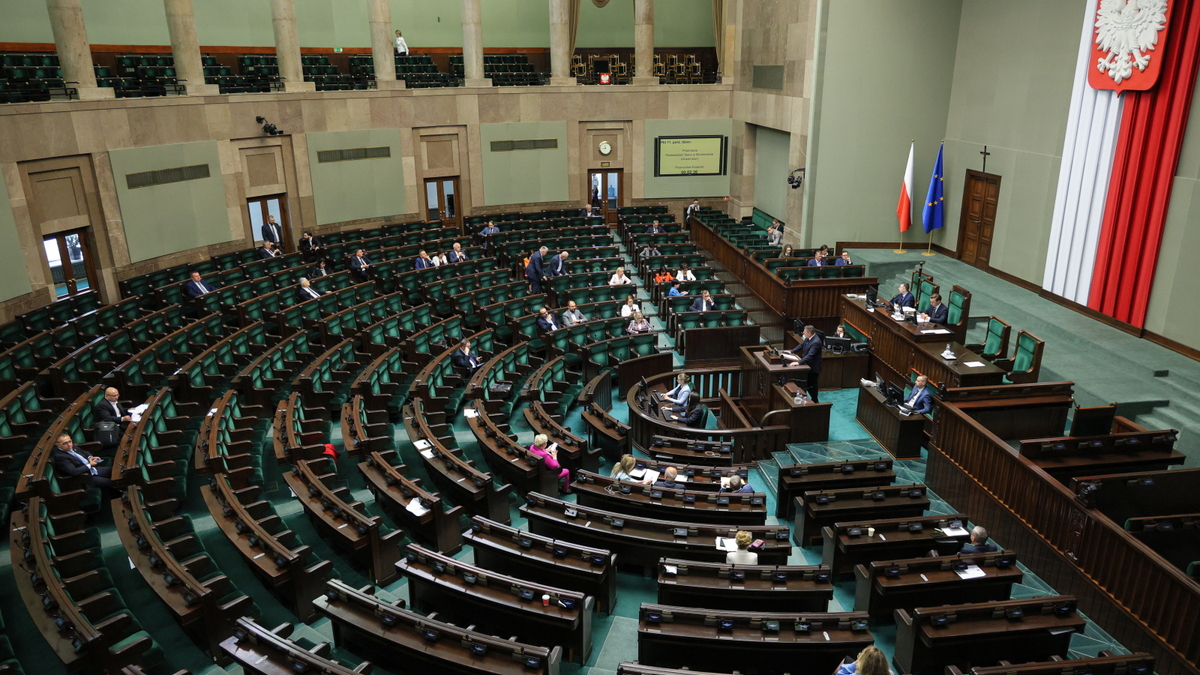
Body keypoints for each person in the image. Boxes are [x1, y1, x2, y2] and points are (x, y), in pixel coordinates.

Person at [785, 324, 823, 402]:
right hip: (807, 366)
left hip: (813, 368)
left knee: (812, 385)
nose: (803, 333)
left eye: (804, 332)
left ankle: (815, 401)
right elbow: (801, 345)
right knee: (807, 383)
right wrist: (791, 351)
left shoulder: (816, 342)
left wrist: (798, 363)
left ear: (809, 333)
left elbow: (810, 356)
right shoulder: (809, 338)